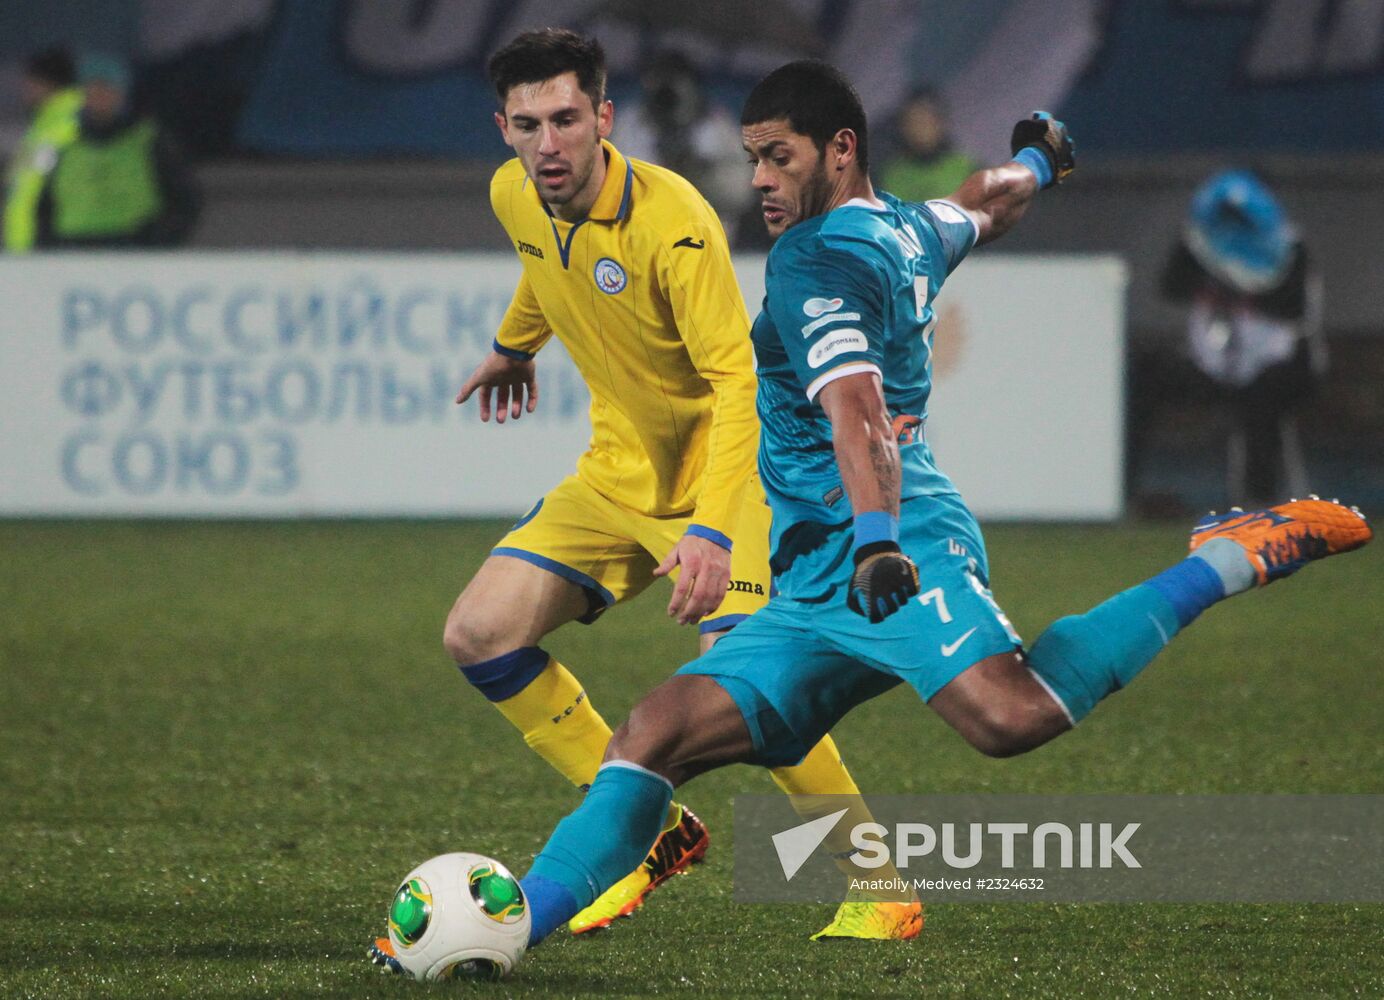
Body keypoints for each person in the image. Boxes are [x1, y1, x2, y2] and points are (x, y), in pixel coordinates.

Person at [478, 61, 1372, 952]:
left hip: (896, 541)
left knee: (1010, 716)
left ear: (839, 150)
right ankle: (515, 931)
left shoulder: (811, 262)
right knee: (652, 736)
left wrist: (875, 542)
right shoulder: (909, 227)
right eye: (752, 158)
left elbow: (858, 411)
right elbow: (987, 203)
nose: (758, 180)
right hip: (813, 578)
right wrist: (1038, 166)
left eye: (777, 158)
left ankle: (1221, 558)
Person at [369, 30, 915, 958]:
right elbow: (545, 270)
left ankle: (878, 882)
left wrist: (710, 529)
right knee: (478, 633)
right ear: (503, 128)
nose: (550, 144)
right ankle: (650, 832)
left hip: (731, 476)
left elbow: (740, 383)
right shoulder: (513, 193)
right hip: (618, 472)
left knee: (746, 687)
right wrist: (513, 345)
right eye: (529, 124)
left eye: (568, 120)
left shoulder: (677, 223)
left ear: (604, 120)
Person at [1157, 170, 1324, 506]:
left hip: (1277, 359)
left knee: (1260, 405)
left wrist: (1244, 298)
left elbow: (1296, 308)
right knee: (1146, 380)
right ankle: (1131, 493)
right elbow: (1170, 286)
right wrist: (1209, 288)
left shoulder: (1290, 249)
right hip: (1213, 358)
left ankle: (1257, 501)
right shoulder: (1198, 243)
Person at [34, 54, 200, 249]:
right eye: (92, 87)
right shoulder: (54, 142)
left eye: (107, 87)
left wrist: (157, 240)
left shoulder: (149, 140)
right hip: (70, 252)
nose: (99, 94)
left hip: (133, 254)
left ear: (122, 93)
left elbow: (185, 199)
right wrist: (47, 244)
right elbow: (35, 197)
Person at [617, 49, 756, 245]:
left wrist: (700, 172)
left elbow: (742, 194)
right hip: (641, 243)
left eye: (675, 80)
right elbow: (614, 190)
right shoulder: (630, 123)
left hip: (709, 243)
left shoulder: (717, 125)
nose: (667, 91)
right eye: (659, 79)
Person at [3, 47, 83, 253]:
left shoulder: (63, 125)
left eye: (30, 82)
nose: (24, 89)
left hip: (44, 246)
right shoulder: (45, 124)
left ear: (48, 84)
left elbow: (38, 189)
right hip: (30, 245)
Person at [877, 87, 977, 205]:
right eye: (914, 121)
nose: (920, 128)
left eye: (926, 121)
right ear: (903, 126)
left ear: (940, 123)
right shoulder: (891, 176)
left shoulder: (967, 169)